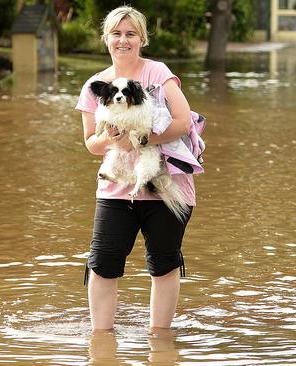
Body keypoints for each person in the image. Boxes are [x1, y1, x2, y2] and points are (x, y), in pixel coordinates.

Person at [75, 6, 196, 330]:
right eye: (116, 33)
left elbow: (183, 123)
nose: (123, 40)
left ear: (142, 38)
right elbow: (90, 142)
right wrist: (112, 140)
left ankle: (161, 344)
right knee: (102, 264)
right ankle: (100, 344)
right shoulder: (95, 85)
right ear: (106, 38)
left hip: (166, 187)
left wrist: (141, 140)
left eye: (130, 34)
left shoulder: (158, 73)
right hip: (116, 189)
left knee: (164, 264)